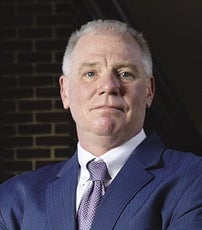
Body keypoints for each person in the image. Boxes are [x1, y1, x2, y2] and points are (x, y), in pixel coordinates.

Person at [0, 19, 202, 230]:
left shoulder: (194, 179)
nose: (108, 86)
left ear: (149, 91)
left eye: (125, 74)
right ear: (65, 92)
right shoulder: (13, 199)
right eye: (90, 73)